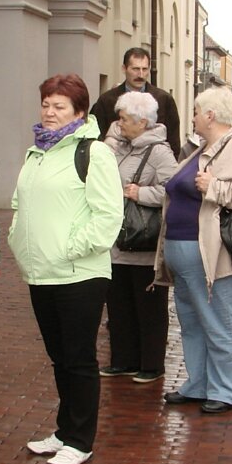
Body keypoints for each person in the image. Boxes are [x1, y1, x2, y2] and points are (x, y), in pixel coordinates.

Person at [11, 74, 123, 464]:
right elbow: (20, 201)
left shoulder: (94, 153)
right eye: (46, 104)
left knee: (78, 359)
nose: (50, 112)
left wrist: (71, 248)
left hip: (80, 274)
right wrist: (16, 239)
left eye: (59, 106)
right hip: (41, 272)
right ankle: (63, 431)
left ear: (80, 111)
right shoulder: (37, 152)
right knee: (59, 357)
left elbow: (109, 215)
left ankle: (80, 439)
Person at [153, 85, 232, 414]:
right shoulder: (202, 148)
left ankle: (227, 390)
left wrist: (215, 188)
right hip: (185, 255)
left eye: (195, 111)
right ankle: (199, 383)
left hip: (212, 257)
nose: (191, 117)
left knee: (220, 322)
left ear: (210, 115)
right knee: (192, 323)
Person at [100, 90, 178, 383]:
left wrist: (141, 193)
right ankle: (122, 360)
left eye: (124, 119)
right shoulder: (119, 146)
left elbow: (174, 188)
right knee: (118, 304)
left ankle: (151, 364)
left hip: (144, 242)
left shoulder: (159, 151)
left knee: (149, 308)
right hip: (117, 239)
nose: (119, 124)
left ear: (142, 121)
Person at [90, 47, 181, 157]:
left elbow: (173, 142)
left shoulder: (164, 100)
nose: (141, 75)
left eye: (145, 69)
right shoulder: (106, 101)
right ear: (124, 69)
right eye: (136, 69)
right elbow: (96, 138)